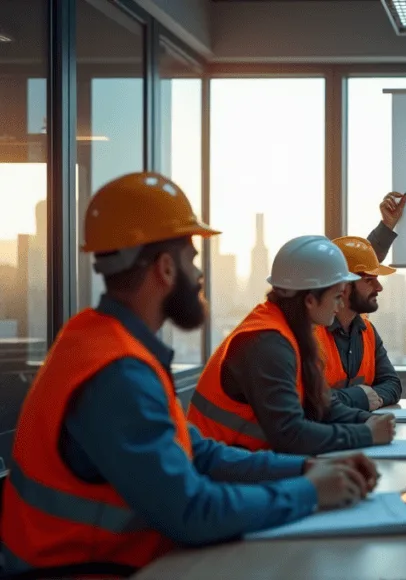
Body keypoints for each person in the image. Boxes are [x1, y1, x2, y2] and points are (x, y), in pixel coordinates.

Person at [0, 173, 378, 574]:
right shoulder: (118, 373)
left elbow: (197, 451)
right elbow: (193, 512)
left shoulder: (100, 340)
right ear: (165, 268)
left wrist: (305, 469)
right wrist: (308, 492)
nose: (199, 275)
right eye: (192, 259)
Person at [188, 235, 396, 455]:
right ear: (310, 300)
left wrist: (370, 420)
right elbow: (290, 434)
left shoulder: (293, 332)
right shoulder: (267, 343)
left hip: (249, 462)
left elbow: (320, 403)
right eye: (336, 296)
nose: (339, 304)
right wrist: (366, 434)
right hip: (218, 470)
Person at [316, 236, 402, 411]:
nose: (379, 287)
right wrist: (360, 398)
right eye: (369, 280)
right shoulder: (310, 334)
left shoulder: (367, 330)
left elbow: (392, 384)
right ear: (344, 286)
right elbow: (308, 399)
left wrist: (362, 399)